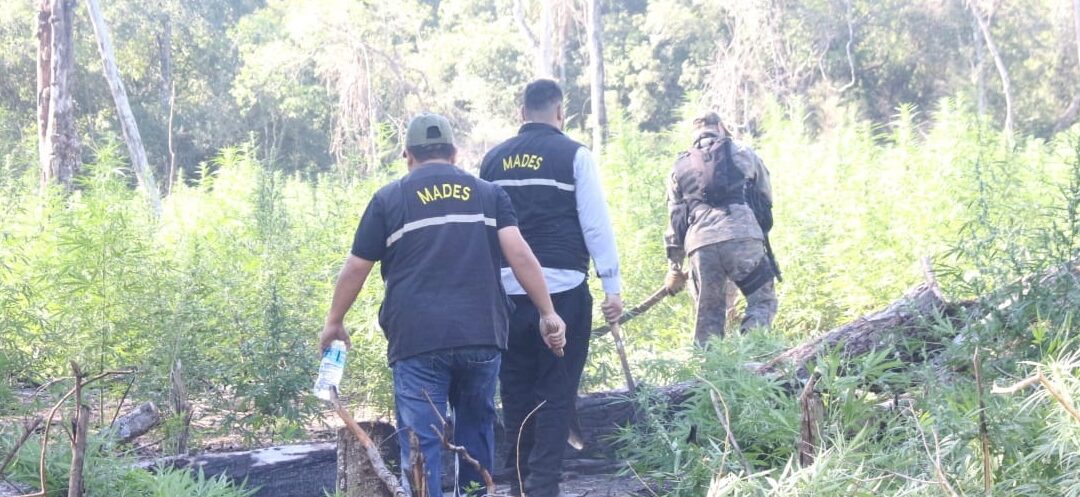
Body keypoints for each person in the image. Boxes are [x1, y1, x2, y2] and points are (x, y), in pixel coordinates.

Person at [318, 113, 567, 497]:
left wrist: (334, 321)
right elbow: (520, 254)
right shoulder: (489, 195)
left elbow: (357, 267)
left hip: (419, 341)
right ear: (454, 153)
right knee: (475, 435)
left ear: (408, 156)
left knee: (422, 444)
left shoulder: (390, 198)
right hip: (482, 336)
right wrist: (548, 313)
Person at [479, 79, 623, 497]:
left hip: (507, 293)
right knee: (557, 390)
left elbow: (484, 228)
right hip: (563, 290)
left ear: (521, 112)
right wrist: (611, 285)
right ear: (561, 113)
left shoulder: (492, 160)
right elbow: (595, 223)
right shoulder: (574, 154)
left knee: (517, 389)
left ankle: (520, 482)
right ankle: (543, 487)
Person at [664, 111, 778, 347]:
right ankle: (752, 355)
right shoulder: (743, 152)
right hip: (743, 237)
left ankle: (708, 374)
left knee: (708, 318)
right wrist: (758, 229)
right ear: (720, 127)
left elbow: (676, 220)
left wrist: (674, 267)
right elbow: (765, 196)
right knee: (762, 300)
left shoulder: (679, 166)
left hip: (701, 244)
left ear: (694, 134)